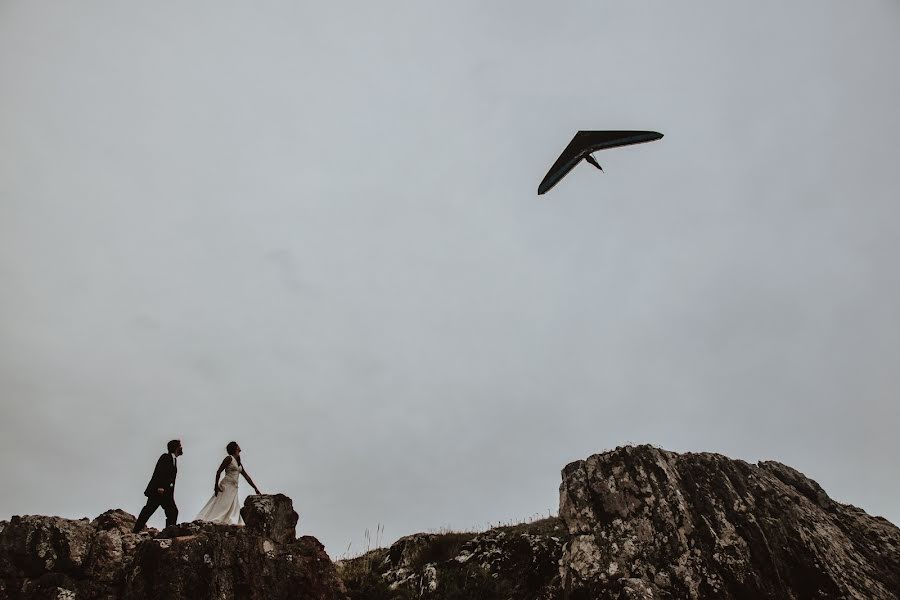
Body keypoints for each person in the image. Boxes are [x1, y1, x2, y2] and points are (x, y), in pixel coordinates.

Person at [195, 441, 261, 525]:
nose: (239, 446)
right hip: (226, 485)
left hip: (234, 488)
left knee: (230, 506)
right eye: (237, 445)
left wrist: (255, 488)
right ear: (235, 447)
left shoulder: (238, 462)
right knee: (222, 505)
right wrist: (215, 486)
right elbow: (218, 471)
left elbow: (246, 477)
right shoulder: (229, 458)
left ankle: (227, 521)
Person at [133, 439, 182, 533]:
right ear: (176, 448)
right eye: (180, 446)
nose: (181, 448)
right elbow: (159, 472)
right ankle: (136, 530)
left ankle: (169, 532)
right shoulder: (165, 457)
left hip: (167, 494)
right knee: (148, 510)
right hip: (159, 491)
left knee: (173, 512)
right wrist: (160, 487)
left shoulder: (174, 460)